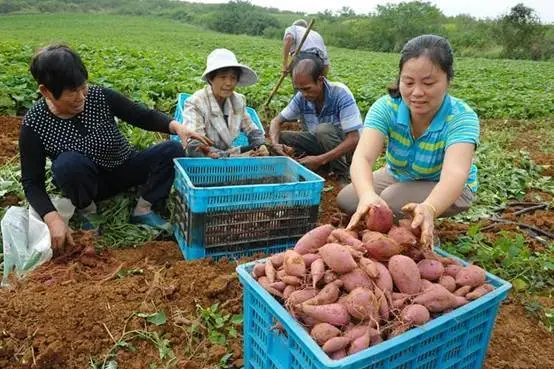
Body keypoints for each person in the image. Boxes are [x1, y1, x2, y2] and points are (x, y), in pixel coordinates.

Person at [19, 44, 210, 251]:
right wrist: (52, 218)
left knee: (172, 150)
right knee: (67, 165)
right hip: (88, 185)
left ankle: (143, 209)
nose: (82, 97)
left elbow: (141, 115)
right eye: (72, 92)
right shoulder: (34, 124)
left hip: (124, 166)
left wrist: (177, 127)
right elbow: (32, 182)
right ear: (46, 91)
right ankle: (89, 212)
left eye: (83, 87)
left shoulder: (99, 96)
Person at [337, 35, 480, 248]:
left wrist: (430, 207)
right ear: (400, 79)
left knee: (393, 200)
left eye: (429, 83)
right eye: (409, 82)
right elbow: (363, 157)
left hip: (450, 185)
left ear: (448, 80)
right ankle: (406, 224)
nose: (417, 93)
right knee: (349, 198)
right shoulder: (386, 107)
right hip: (399, 174)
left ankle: (423, 238)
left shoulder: (461, 117)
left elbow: (455, 174)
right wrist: (367, 195)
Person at [269, 58, 362, 183]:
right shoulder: (301, 96)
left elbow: (354, 138)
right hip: (320, 143)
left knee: (323, 130)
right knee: (281, 136)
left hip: (345, 149)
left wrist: (320, 159)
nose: (304, 94)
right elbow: (276, 121)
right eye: (299, 89)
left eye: (307, 88)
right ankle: (312, 165)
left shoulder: (340, 93)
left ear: (320, 80)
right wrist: (275, 144)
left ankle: (342, 174)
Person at [182, 48, 265, 158]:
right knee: (197, 149)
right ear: (211, 79)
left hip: (226, 153)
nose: (229, 83)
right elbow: (194, 144)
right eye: (223, 77)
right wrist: (232, 156)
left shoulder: (238, 100)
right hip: (205, 158)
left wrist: (260, 144)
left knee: (264, 150)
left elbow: (251, 128)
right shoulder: (196, 102)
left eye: (233, 78)